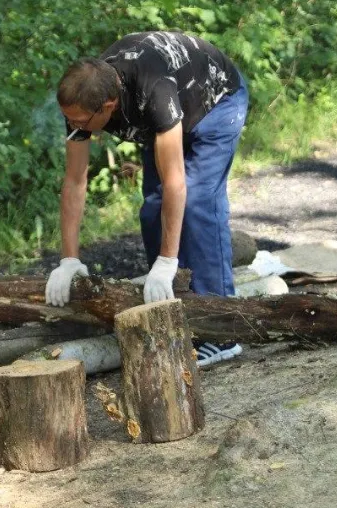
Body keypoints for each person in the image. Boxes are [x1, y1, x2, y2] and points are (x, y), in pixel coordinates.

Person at [45, 31, 248, 367]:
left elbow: (176, 182)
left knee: (198, 203)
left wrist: (167, 262)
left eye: (79, 121)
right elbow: (74, 181)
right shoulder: (85, 98)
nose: (73, 126)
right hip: (169, 115)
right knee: (154, 209)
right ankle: (172, 307)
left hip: (216, 102)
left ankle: (222, 330)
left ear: (108, 107)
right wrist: (69, 259)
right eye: (69, 118)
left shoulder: (154, 91)